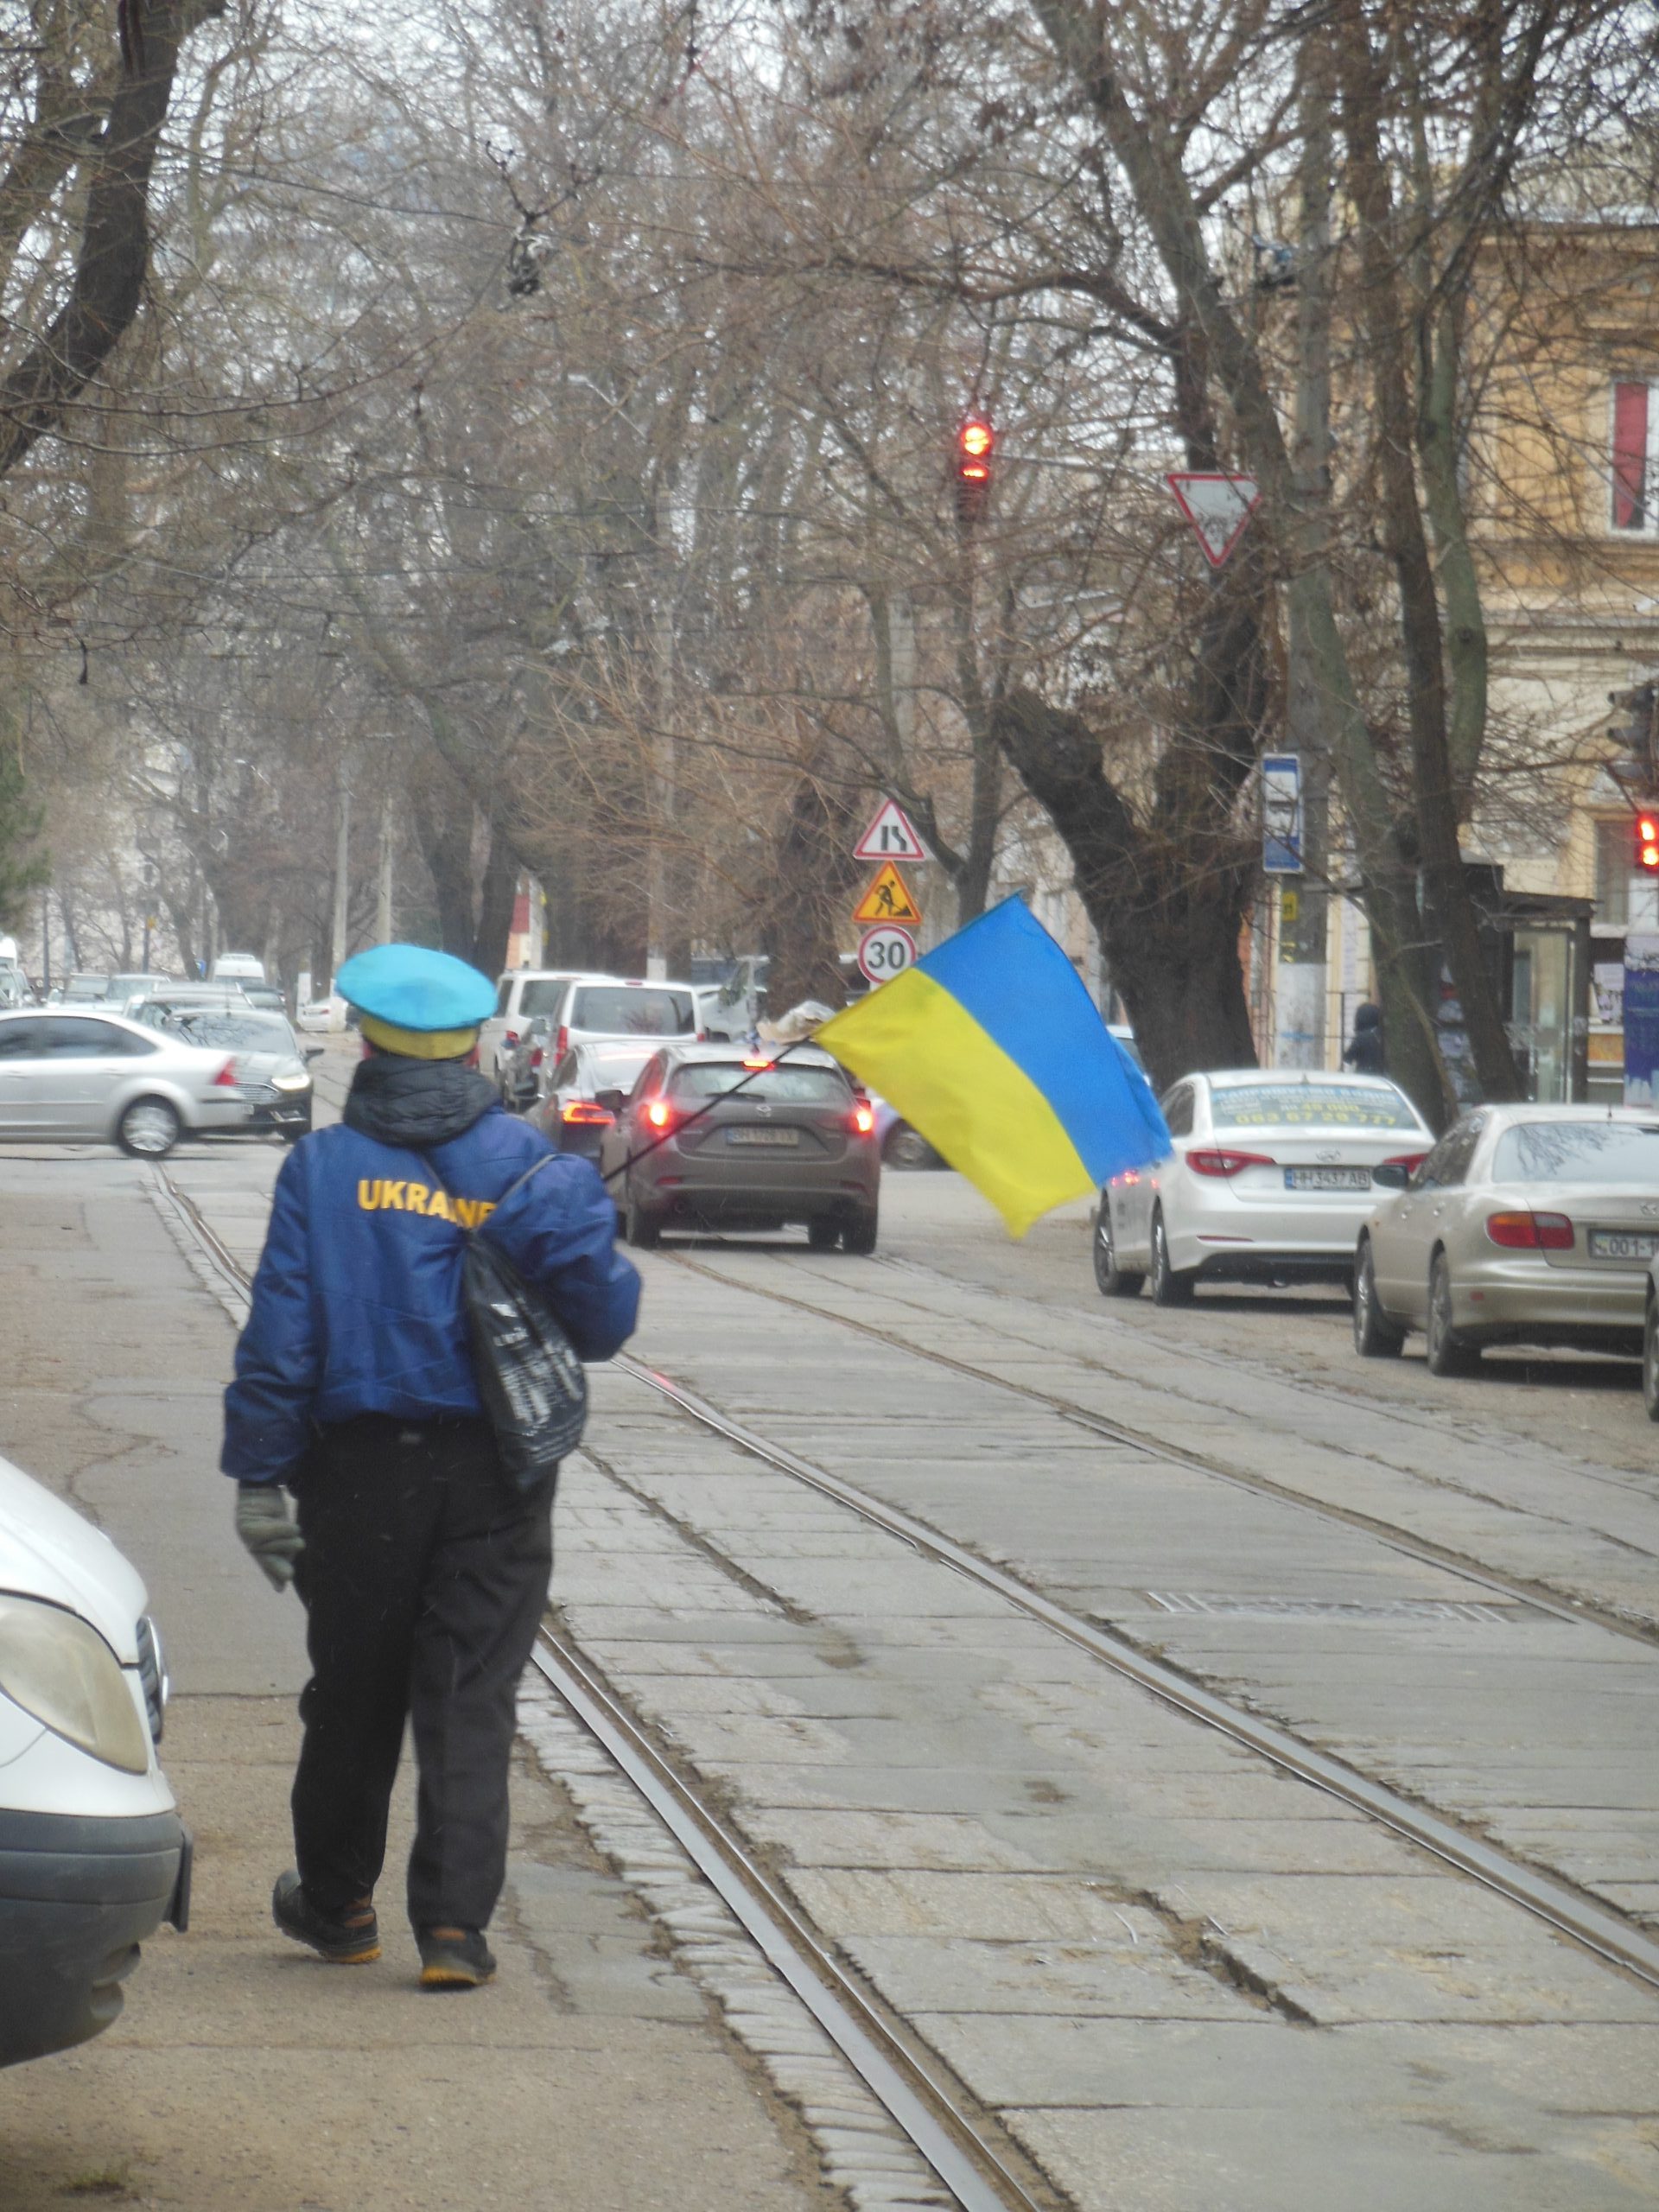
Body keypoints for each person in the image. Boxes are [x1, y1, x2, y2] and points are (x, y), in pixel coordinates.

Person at [222, 943, 640, 1990]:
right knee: (468, 1695)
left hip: (354, 1472)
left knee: (354, 1691)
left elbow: (282, 1339)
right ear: (474, 1044)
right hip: (497, 1475)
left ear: (365, 1042)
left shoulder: (320, 1170)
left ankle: (337, 1907)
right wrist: (569, 1218)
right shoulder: (533, 1169)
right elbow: (605, 1324)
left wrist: (260, 1476)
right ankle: (454, 1931)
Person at [1343, 1001, 1385, 1076]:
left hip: (1364, 1077)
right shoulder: (1382, 1035)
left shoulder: (1361, 1037)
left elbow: (1348, 1059)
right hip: (1382, 1078)